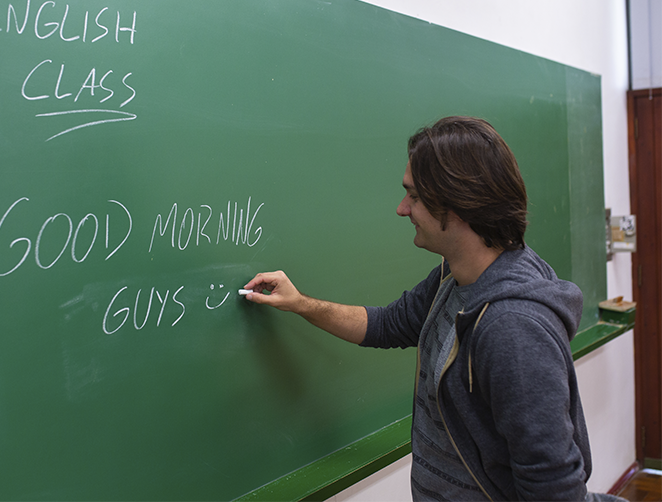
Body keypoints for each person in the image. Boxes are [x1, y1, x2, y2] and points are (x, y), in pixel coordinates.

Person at [243, 116, 601, 501]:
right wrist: (300, 304)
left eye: (413, 196)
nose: (401, 208)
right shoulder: (455, 277)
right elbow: (388, 324)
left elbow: (554, 489)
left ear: (459, 204)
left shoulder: (511, 328)